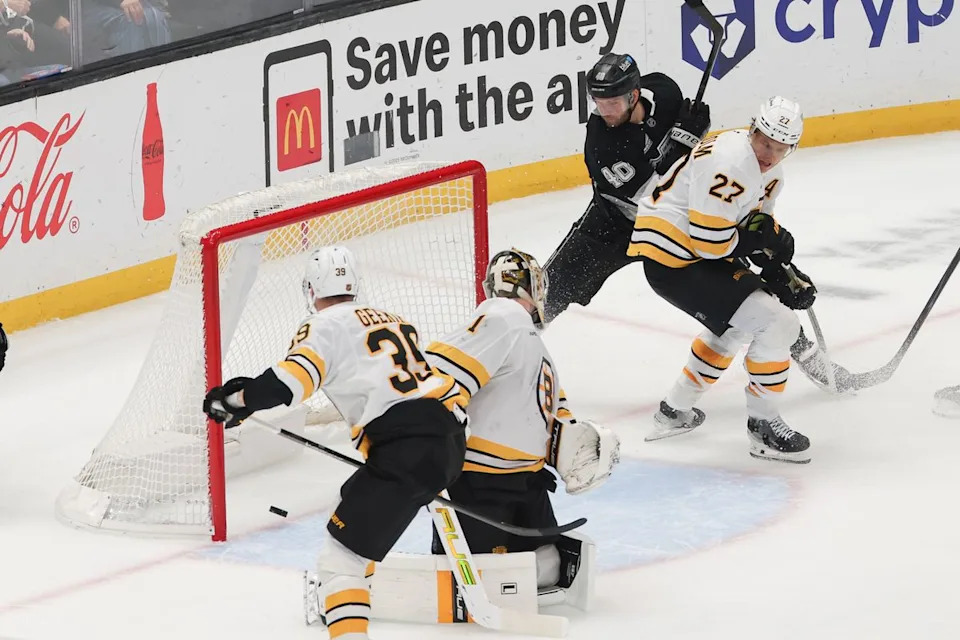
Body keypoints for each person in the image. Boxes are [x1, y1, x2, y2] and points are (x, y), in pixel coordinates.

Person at [203, 246, 468, 639]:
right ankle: (349, 597)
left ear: (311, 290)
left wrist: (234, 401)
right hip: (450, 437)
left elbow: (289, 383)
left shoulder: (322, 325)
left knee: (339, 558)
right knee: (348, 515)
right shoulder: (394, 319)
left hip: (403, 447)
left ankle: (347, 601)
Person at [626, 96, 816, 464]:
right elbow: (712, 244)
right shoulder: (730, 164)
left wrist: (778, 270)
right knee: (777, 324)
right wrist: (761, 244)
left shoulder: (767, 171)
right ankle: (763, 428)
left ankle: (674, 410)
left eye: (780, 148)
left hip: (688, 254)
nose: (769, 153)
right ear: (753, 130)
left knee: (737, 326)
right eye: (764, 142)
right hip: (675, 258)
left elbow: (749, 230)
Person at [424, 249, 620, 595]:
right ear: (533, 288)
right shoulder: (502, 318)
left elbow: (552, 409)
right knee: (480, 583)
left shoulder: (530, 341)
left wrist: (571, 438)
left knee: (547, 569)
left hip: (525, 483)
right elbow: (438, 371)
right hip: (481, 484)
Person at [543, 52, 711, 323]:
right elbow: (655, 199)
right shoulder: (602, 145)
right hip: (613, 225)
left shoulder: (665, 93)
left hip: (676, 223)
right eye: (598, 102)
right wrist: (683, 146)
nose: (605, 111)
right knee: (545, 297)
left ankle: (794, 345)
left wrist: (691, 137)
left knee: (735, 291)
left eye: (613, 102)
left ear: (634, 96)